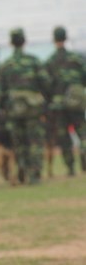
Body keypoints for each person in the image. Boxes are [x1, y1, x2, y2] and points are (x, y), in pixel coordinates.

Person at [0, 28, 51, 184]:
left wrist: (3, 108)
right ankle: (35, 175)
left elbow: (0, 92)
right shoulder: (34, 61)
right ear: (24, 41)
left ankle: (22, 169)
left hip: (14, 110)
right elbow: (45, 84)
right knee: (35, 142)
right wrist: (45, 104)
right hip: (33, 110)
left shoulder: (6, 65)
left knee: (19, 144)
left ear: (11, 43)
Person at [44, 26, 86, 176]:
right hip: (76, 103)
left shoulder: (50, 62)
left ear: (54, 39)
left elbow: (46, 86)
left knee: (64, 137)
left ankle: (70, 168)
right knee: (83, 133)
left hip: (59, 106)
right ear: (66, 38)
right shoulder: (77, 59)